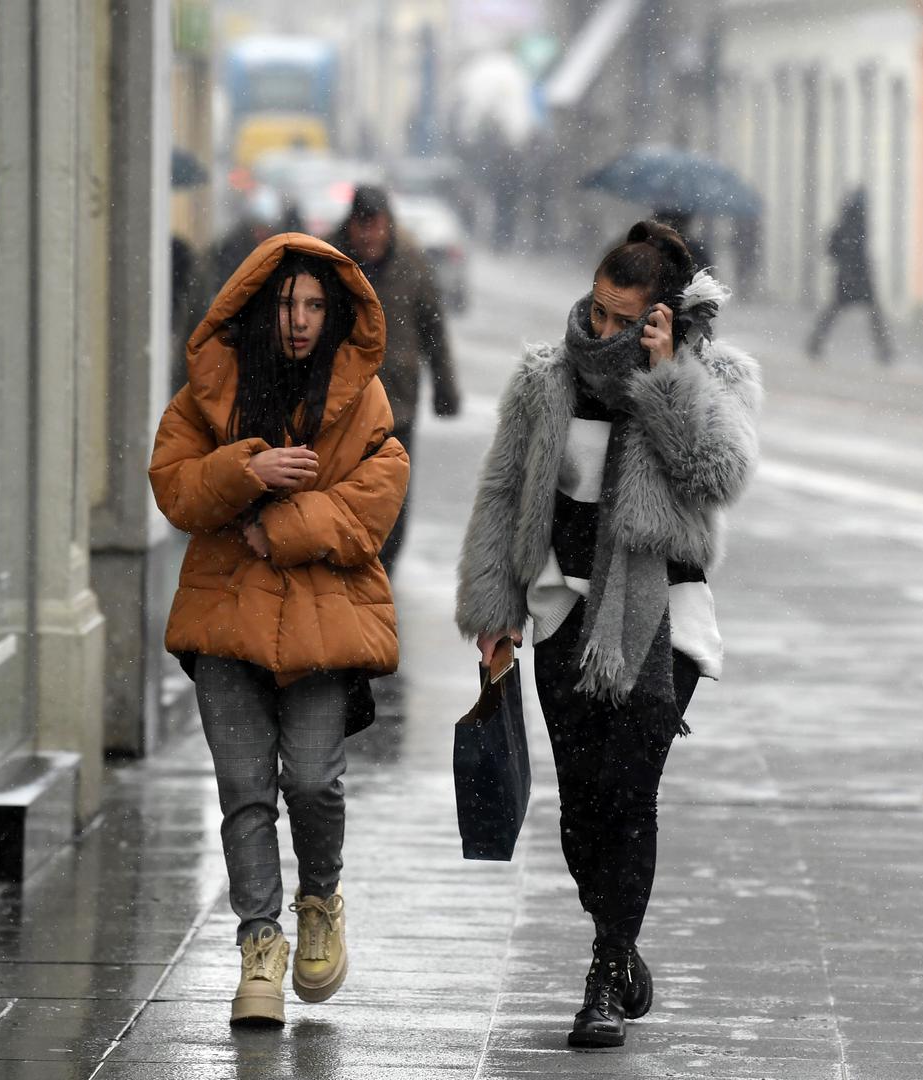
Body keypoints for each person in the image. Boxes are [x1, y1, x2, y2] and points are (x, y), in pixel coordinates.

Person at [456, 221, 762, 1049]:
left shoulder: (711, 376)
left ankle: (605, 970)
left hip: (661, 622)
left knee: (628, 795)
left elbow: (714, 475)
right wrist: (495, 610)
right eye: (596, 310)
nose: (601, 329)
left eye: (622, 318)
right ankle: (618, 942)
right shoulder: (546, 379)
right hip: (564, 616)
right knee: (583, 807)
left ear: (661, 317)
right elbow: (504, 492)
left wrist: (664, 380)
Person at [148, 233, 409, 1026]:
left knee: (313, 781)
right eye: (288, 304)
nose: (299, 320)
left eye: (315, 306)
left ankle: (319, 899)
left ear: (333, 315)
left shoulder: (360, 396)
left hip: (323, 624)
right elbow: (173, 487)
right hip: (226, 617)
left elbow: (378, 493)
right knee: (243, 792)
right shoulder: (211, 388)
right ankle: (258, 947)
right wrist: (246, 472)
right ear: (263, 308)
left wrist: (285, 524)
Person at [330, 185, 461, 571]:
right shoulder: (330, 259)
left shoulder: (412, 264)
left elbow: (434, 331)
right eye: (362, 226)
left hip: (396, 404)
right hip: (342, 404)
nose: (369, 236)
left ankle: (383, 567)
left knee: (393, 491)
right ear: (351, 224)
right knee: (343, 488)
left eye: (376, 225)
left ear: (389, 224)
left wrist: (446, 390)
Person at [805, 190, 894, 364]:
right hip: (856, 277)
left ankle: (815, 343)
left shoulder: (847, 225)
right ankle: (884, 350)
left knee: (837, 312)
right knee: (870, 315)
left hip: (850, 277)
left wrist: (844, 264)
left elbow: (831, 249)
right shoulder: (856, 226)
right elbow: (838, 249)